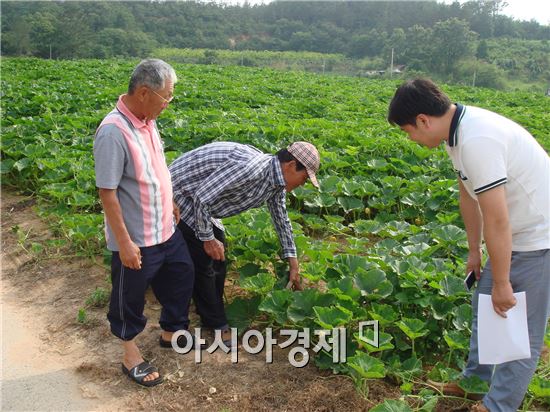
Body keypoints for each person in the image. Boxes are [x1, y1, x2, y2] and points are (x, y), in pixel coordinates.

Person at [387, 78, 550, 412]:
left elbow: (498, 219)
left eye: (409, 131)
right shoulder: (456, 133)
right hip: (514, 233)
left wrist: (504, 281)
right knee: (488, 304)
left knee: (521, 335)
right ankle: (475, 383)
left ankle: (497, 406)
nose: (412, 139)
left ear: (423, 120)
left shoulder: (478, 139)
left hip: (538, 236)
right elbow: (468, 195)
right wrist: (475, 251)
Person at [94, 59, 195, 387]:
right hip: (137, 236)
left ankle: (170, 334)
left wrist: (171, 201)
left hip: (165, 226)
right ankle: (130, 354)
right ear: (143, 92)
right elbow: (107, 193)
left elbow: (155, 169)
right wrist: (124, 242)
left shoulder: (148, 120)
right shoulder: (113, 131)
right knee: (129, 297)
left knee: (182, 275)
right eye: (166, 97)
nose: (168, 104)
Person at [169, 141, 320, 345]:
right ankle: (216, 323)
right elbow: (201, 198)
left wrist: (293, 261)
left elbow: (281, 219)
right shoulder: (252, 169)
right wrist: (207, 239)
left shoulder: (275, 181)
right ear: (292, 165)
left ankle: (206, 309)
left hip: (203, 203)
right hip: (178, 195)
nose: (302, 184)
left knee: (219, 257)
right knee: (205, 258)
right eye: (304, 178)